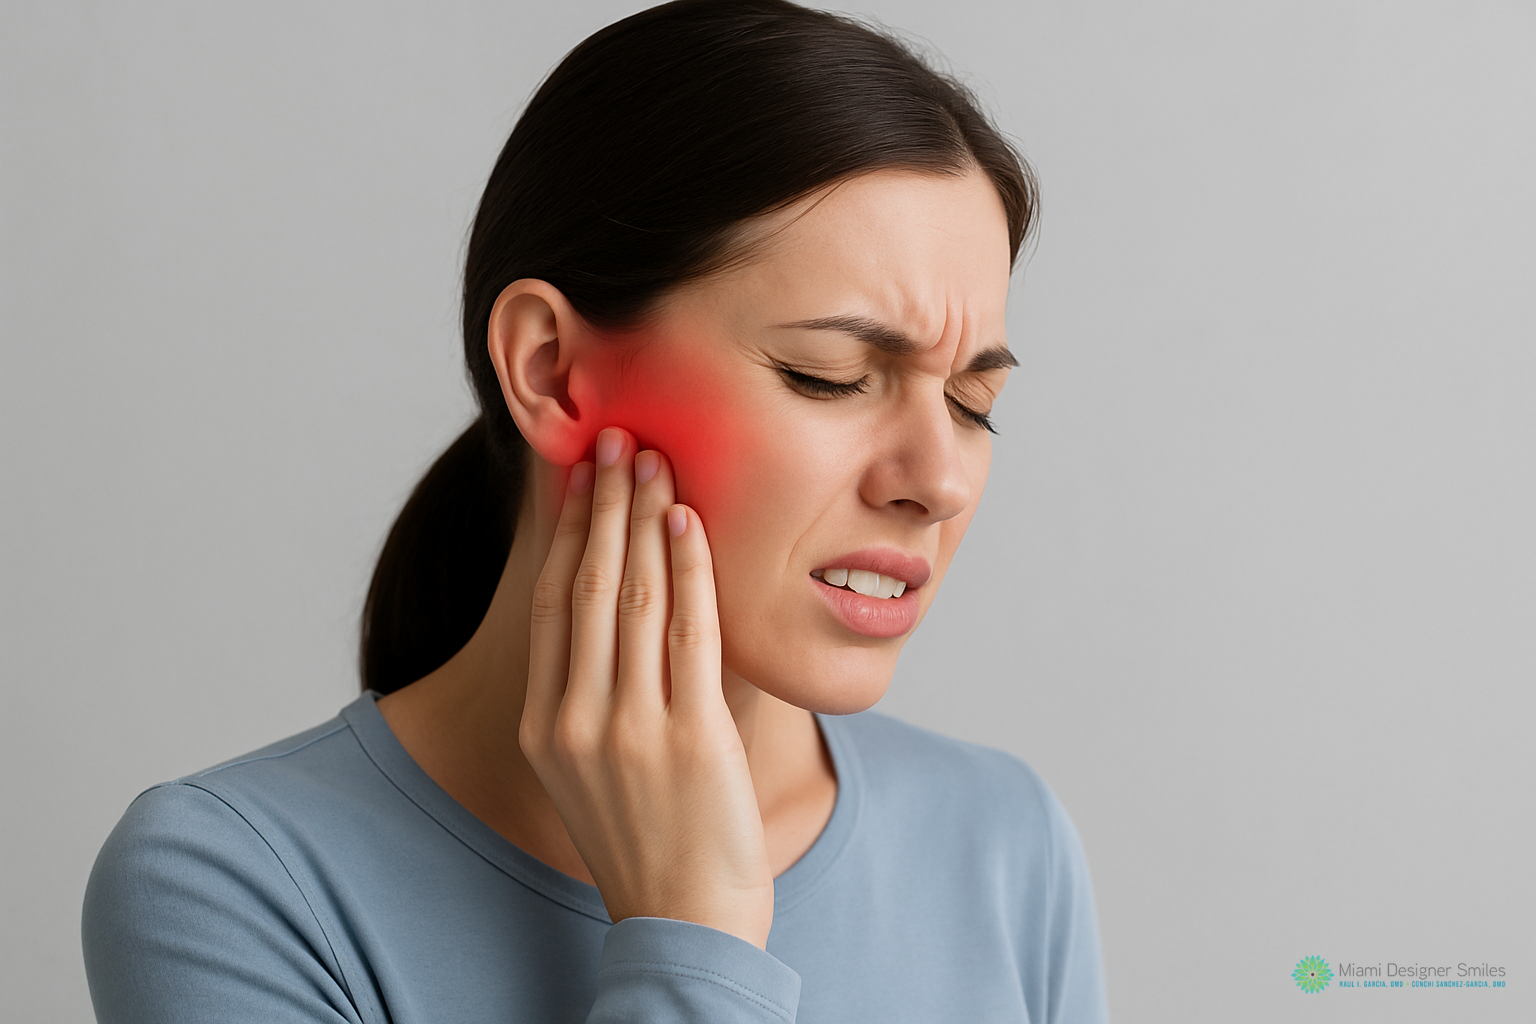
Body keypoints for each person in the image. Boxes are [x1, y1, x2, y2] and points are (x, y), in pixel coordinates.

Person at [81, 1, 1109, 1020]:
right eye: (829, 375)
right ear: (553, 371)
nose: (940, 479)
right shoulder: (232, 886)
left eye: (974, 403)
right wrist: (694, 934)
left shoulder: (1004, 844)